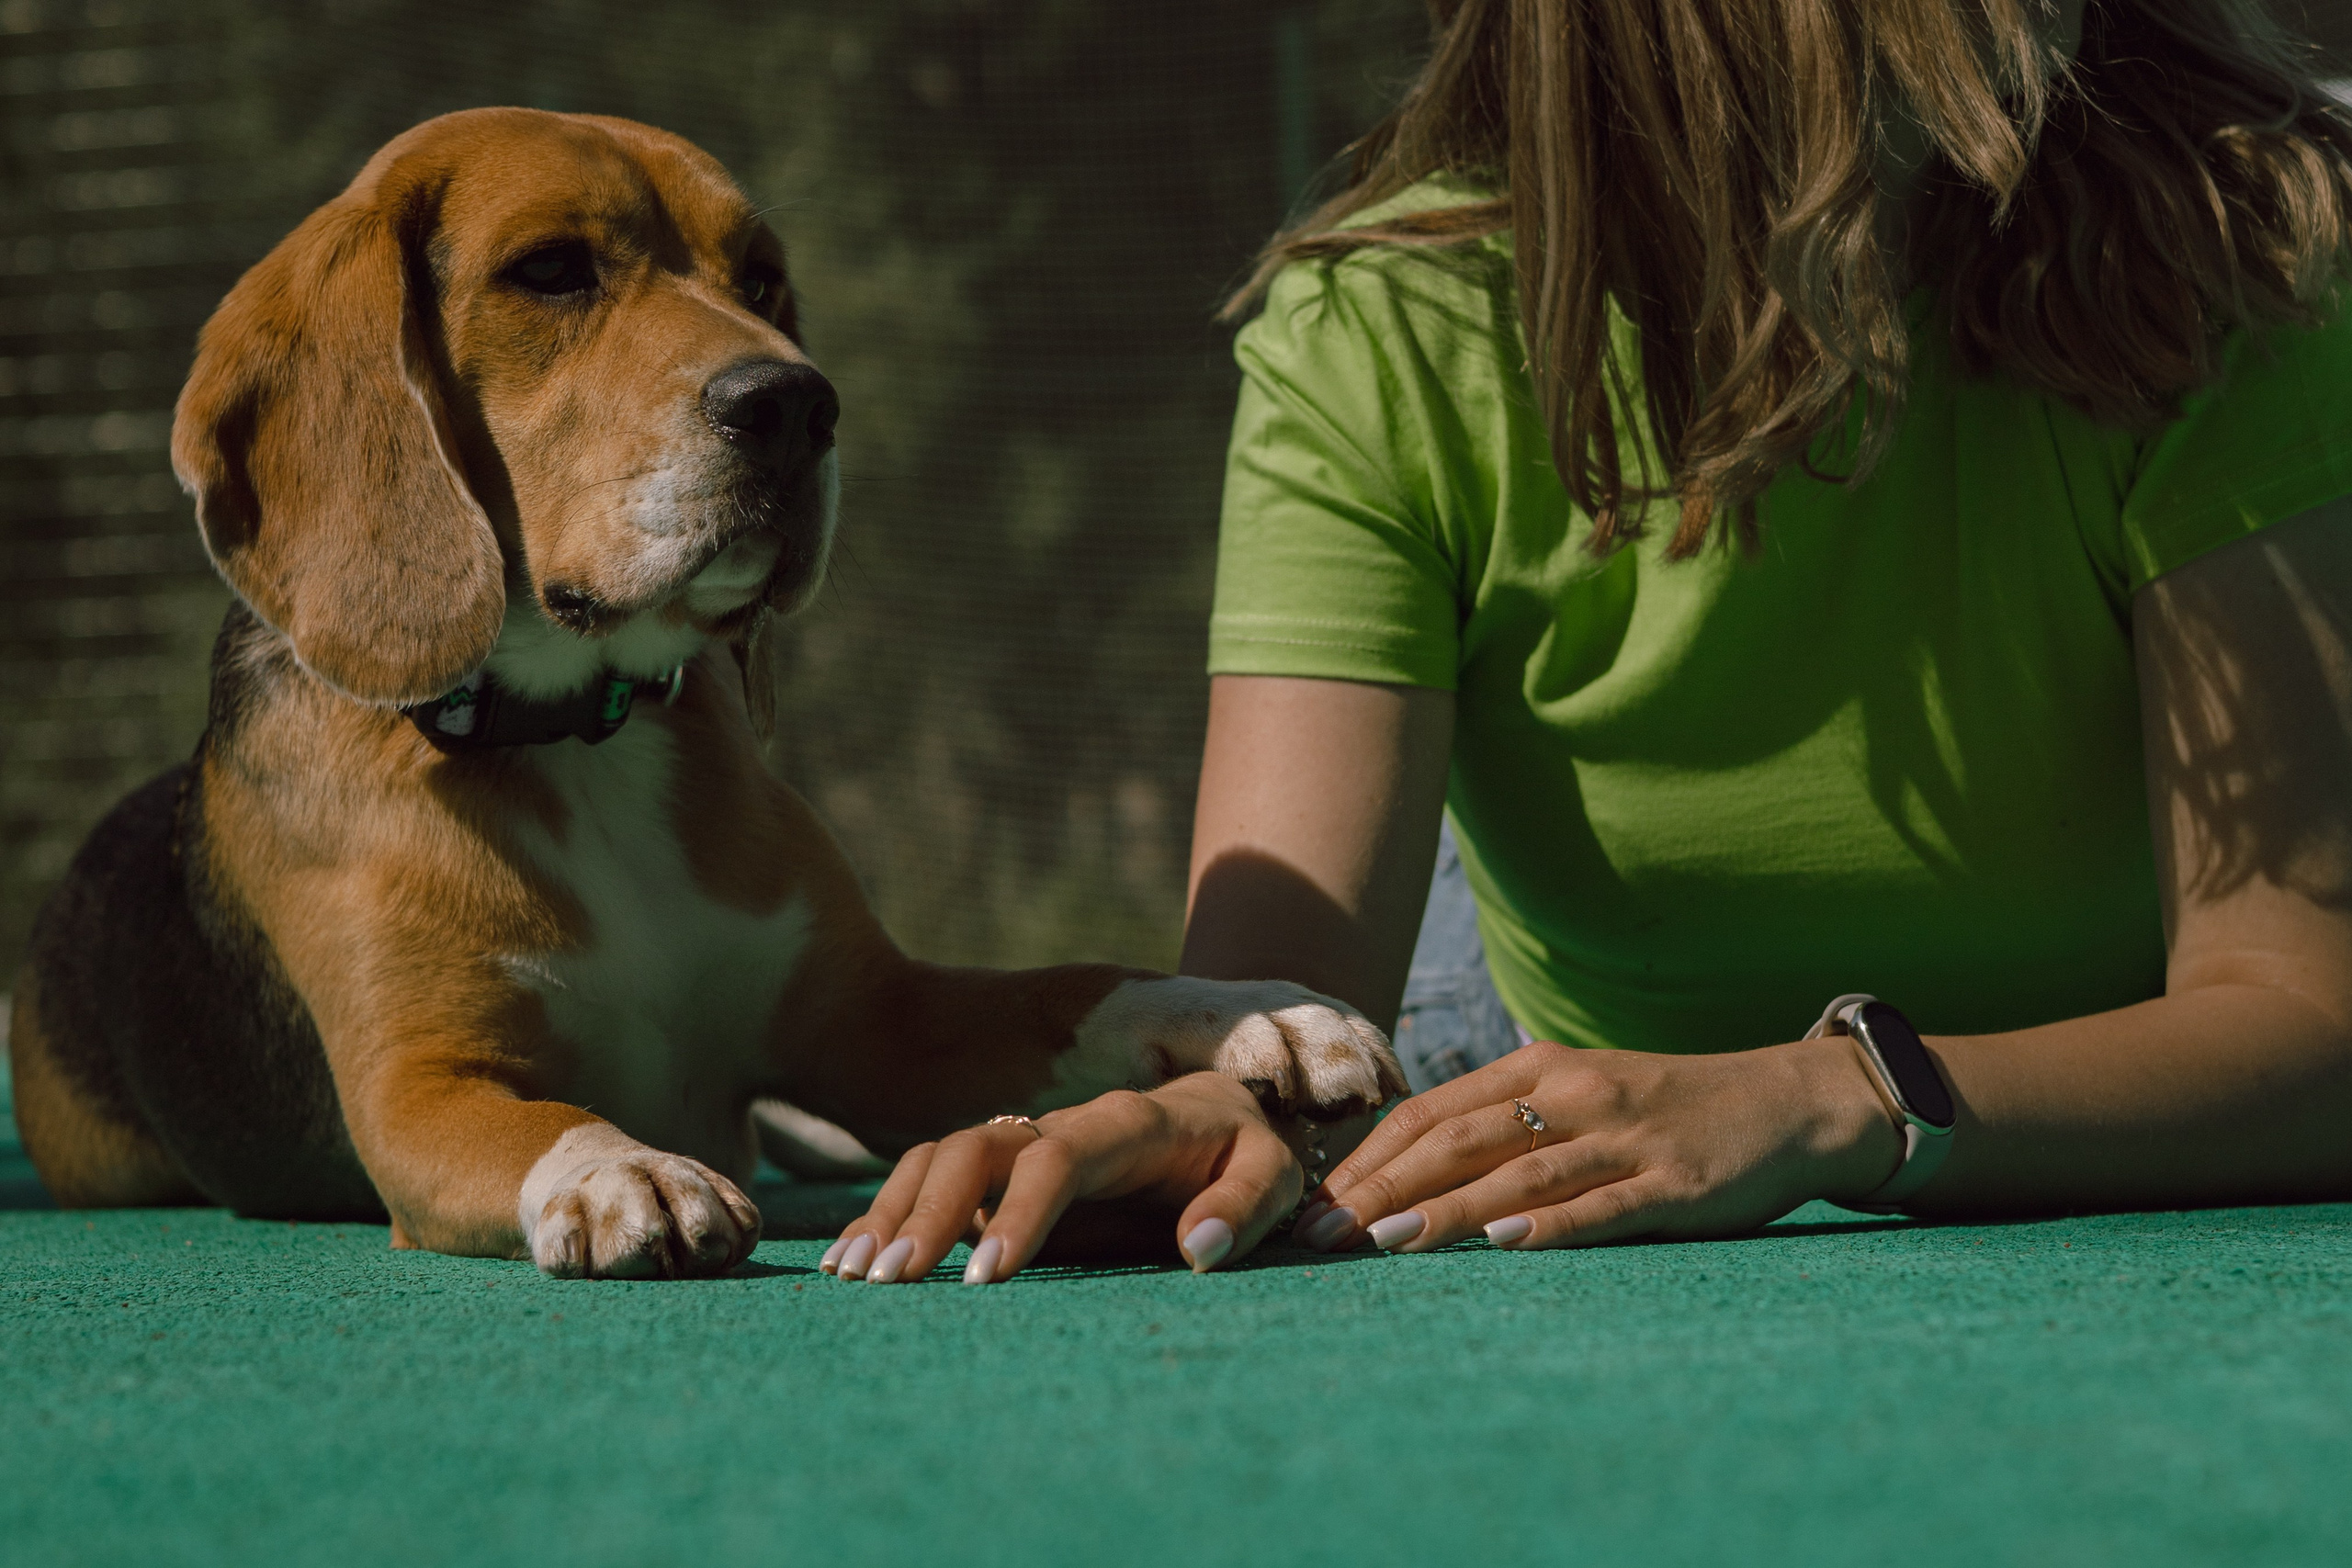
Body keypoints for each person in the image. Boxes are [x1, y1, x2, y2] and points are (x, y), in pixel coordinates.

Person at [820, 0, 2352, 1289]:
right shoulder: (1379, 326)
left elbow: (2310, 1019)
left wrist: (1835, 1095)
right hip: (1524, 1028)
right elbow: (1285, 1023)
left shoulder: (2229, 262)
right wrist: (1211, 1115)